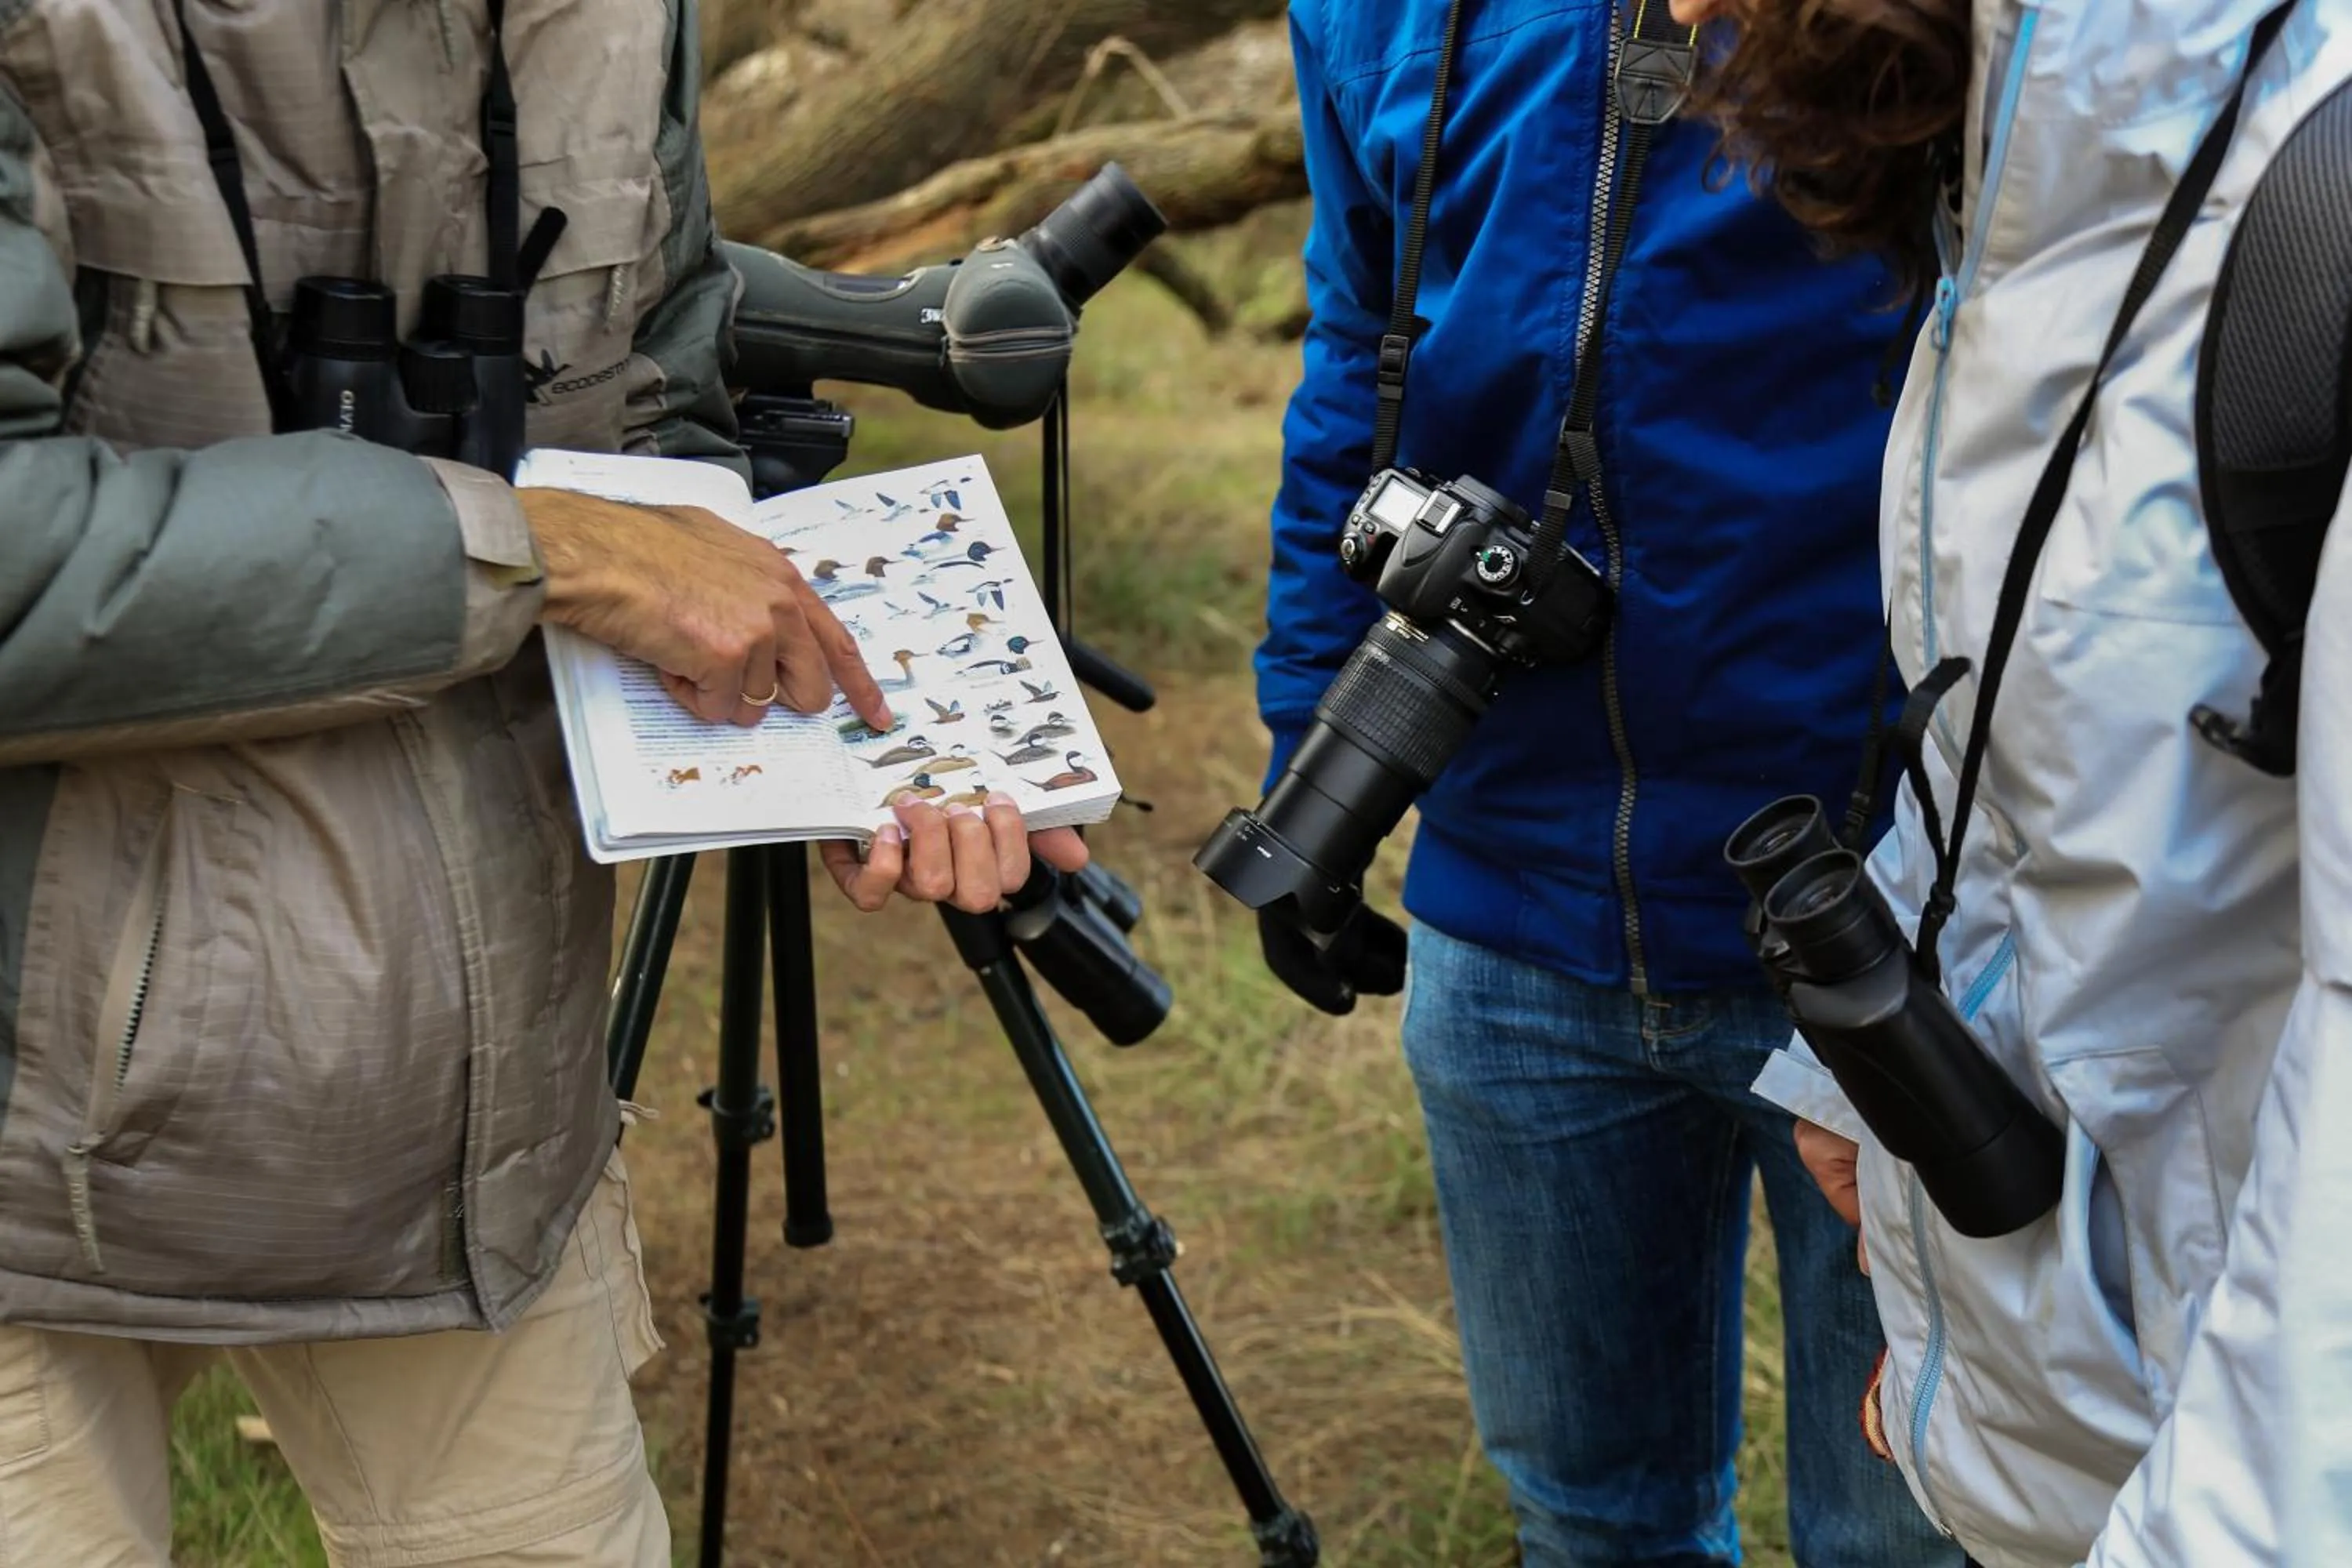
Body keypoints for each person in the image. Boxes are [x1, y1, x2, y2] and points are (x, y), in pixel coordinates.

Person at [0, 2, 1083, 1562]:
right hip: (33, 1147)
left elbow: (672, 398)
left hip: (479, 1132)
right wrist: (533, 548)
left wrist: (861, 734)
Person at [1255, 1, 1960, 1563]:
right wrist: (1312, 753)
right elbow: (1358, 357)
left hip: (1894, 912)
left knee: (1911, 1532)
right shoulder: (1369, 16)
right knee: (1591, 1522)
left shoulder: (1952, 25)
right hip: (1513, 914)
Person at [1675, 0, 2352, 1563]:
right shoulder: (2040, 161)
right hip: (2085, 1413)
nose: (1671, 15)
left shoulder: (2300, 181)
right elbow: (2023, 735)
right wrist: (1875, 1077)